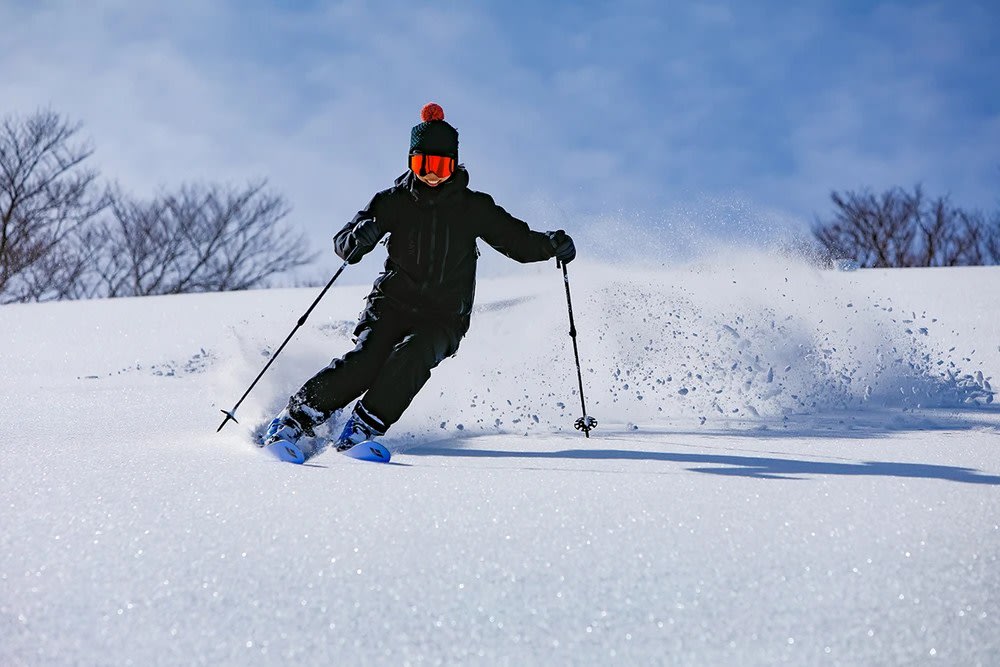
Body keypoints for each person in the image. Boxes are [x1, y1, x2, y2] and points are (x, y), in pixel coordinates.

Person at [263, 102, 576, 453]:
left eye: (440, 165)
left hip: (443, 316)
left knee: (413, 356)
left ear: (453, 164)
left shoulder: (473, 208)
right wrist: (359, 237)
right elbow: (344, 243)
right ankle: (296, 418)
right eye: (422, 164)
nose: (430, 174)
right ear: (411, 162)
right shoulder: (392, 201)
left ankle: (362, 427)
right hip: (391, 304)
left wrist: (551, 244)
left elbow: (517, 241)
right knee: (367, 360)